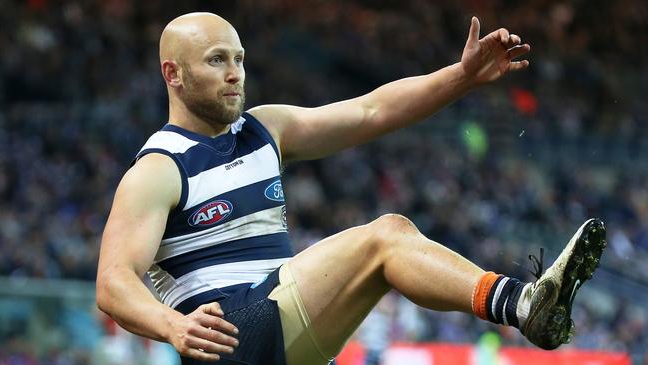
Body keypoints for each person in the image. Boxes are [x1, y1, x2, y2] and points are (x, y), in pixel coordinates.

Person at [95, 12, 607, 365]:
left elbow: (371, 110)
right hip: (227, 337)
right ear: (173, 74)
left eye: (240, 59)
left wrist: (461, 77)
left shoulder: (264, 130)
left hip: (275, 332)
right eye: (216, 60)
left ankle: (522, 306)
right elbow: (113, 281)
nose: (235, 74)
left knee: (389, 242)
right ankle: (521, 304)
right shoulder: (159, 168)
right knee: (385, 238)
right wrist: (170, 326)